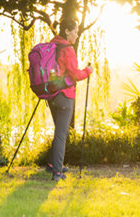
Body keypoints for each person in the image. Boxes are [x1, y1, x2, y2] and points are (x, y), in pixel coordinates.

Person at [46, 19, 92, 181]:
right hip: (65, 96)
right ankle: (57, 172)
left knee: (59, 131)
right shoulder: (67, 49)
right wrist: (87, 71)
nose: (76, 35)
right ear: (66, 31)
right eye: (75, 31)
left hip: (51, 95)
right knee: (61, 134)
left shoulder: (52, 45)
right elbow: (75, 75)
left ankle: (52, 164)